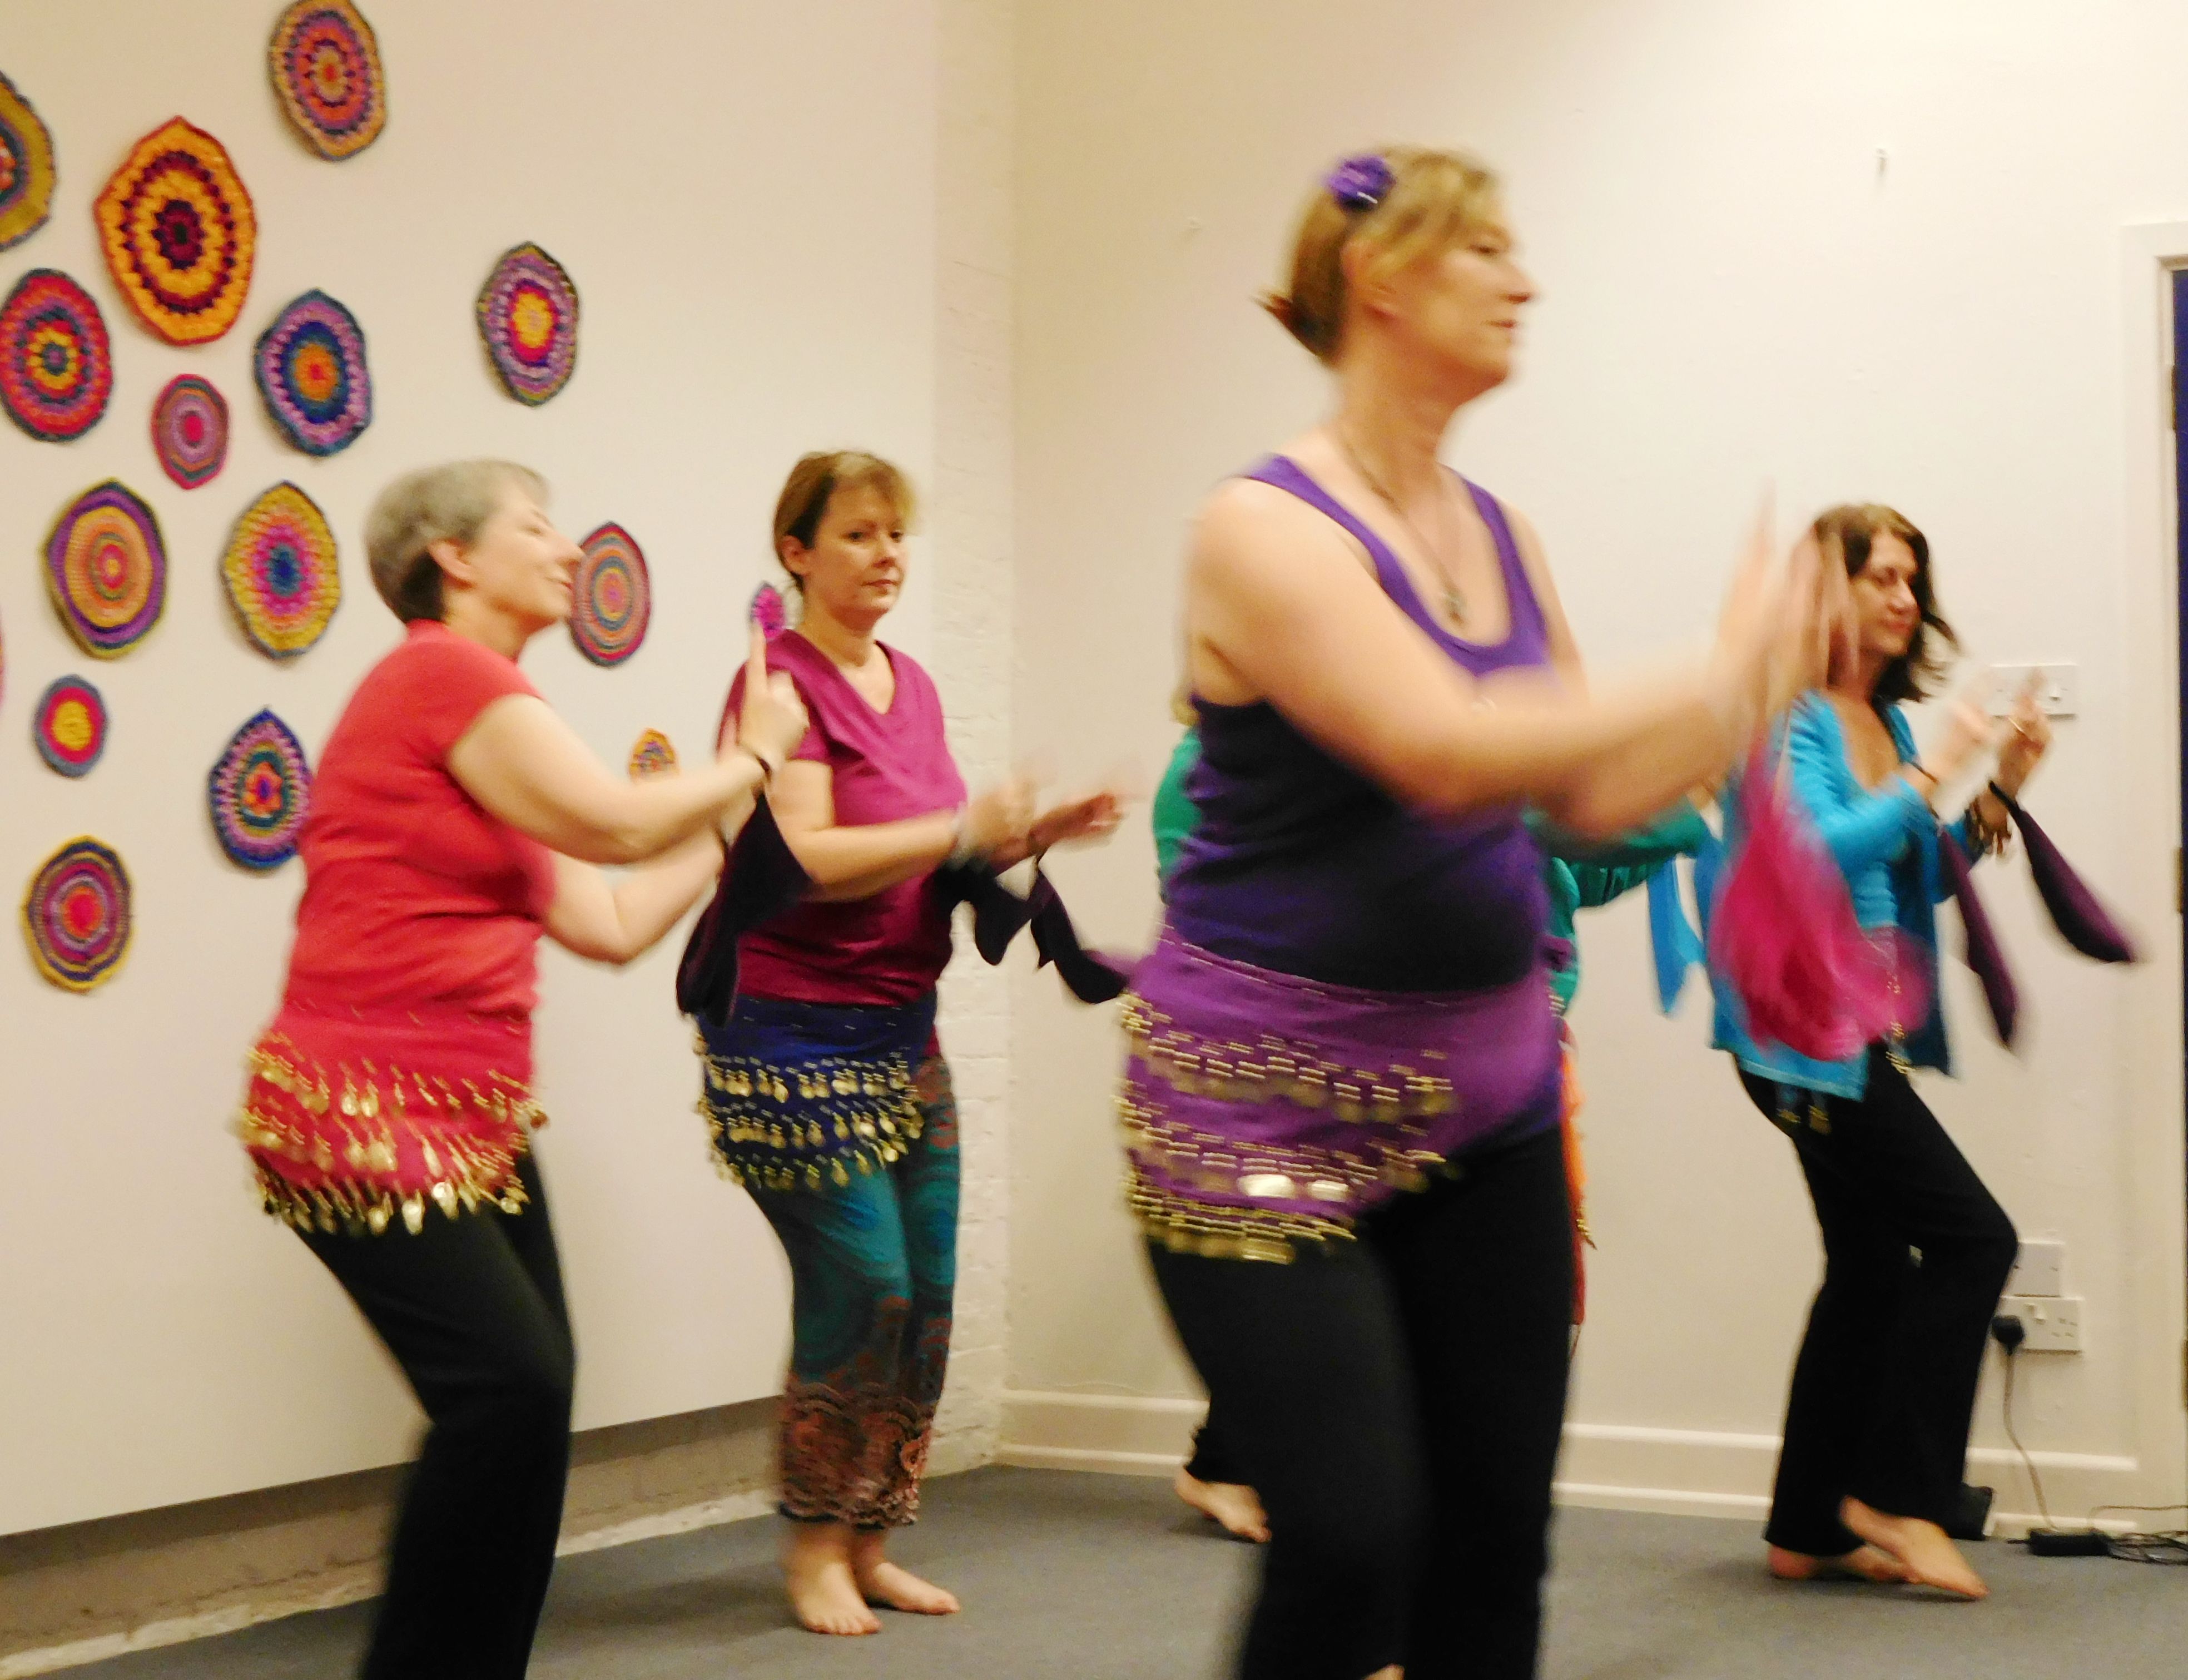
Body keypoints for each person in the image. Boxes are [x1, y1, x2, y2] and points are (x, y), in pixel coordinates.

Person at [1126, 146, 1829, 1680]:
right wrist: (1719, 664)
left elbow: (1584, 793)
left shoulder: (1502, 532)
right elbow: (1442, 749)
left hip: (1486, 1103)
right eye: (1491, 249)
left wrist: (1752, 694)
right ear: (1382, 274)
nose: (1529, 281)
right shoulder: (1260, 527)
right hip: (1258, 1119)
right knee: (1352, 1538)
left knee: (1493, 1549)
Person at [232, 459, 807, 1680]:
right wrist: (751, 759)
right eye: (536, 525)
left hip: (464, 1113)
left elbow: (610, 917)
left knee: (531, 1400)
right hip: (356, 1102)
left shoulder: (487, 742)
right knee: (506, 1388)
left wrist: (729, 823)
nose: (567, 546)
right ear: (453, 557)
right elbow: (615, 822)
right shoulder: (441, 671)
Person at [696, 450, 1121, 1637]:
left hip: (902, 1030)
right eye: (858, 534)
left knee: (928, 1295)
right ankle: (812, 1550)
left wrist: (1020, 835)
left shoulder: (913, 684)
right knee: (864, 1284)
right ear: (797, 552)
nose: (887, 554)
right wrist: (956, 823)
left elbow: (931, 847)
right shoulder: (777, 684)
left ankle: (870, 1540)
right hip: (788, 1039)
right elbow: (804, 859)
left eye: (896, 534)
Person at [1154, 707, 1710, 1548]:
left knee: (1432, 1295)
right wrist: (1685, 765)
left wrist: (1674, 793)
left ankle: (1276, 1472)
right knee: (1349, 1284)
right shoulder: (1222, 763)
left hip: (1493, 1051)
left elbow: (1577, 869)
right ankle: (1254, 1471)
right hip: (1340, 1061)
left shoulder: (1447, 750)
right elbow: (1213, 914)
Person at [1710, 503, 2051, 1600]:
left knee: (1866, 1264)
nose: (1905, 597)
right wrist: (1929, 772)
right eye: (1882, 576)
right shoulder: (1791, 715)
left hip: (1855, 1030)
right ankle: (1901, 1497)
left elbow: (1909, 867)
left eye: (1913, 577)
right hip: (1801, 1039)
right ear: (1830, 589)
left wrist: (1995, 788)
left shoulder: (1885, 723)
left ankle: (1807, 1523)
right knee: (1973, 1239)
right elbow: (1810, 860)